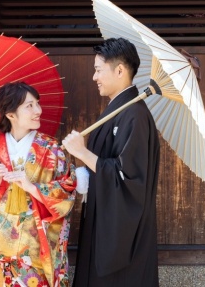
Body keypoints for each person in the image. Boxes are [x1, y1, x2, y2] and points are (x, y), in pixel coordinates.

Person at [0, 82, 77, 287]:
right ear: (10, 114)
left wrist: (32, 187)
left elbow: (67, 190)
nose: (38, 110)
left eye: (37, 103)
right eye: (29, 106)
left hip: (35, 250)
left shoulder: (52, 149)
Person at [62, 37, 160, 287]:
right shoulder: (120, 110)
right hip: (104, 217)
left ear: (119, 70)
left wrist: (82, 153)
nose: (94, 77)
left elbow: (128, 178)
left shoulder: (134, 116)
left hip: (123, 233)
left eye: (98, 70)